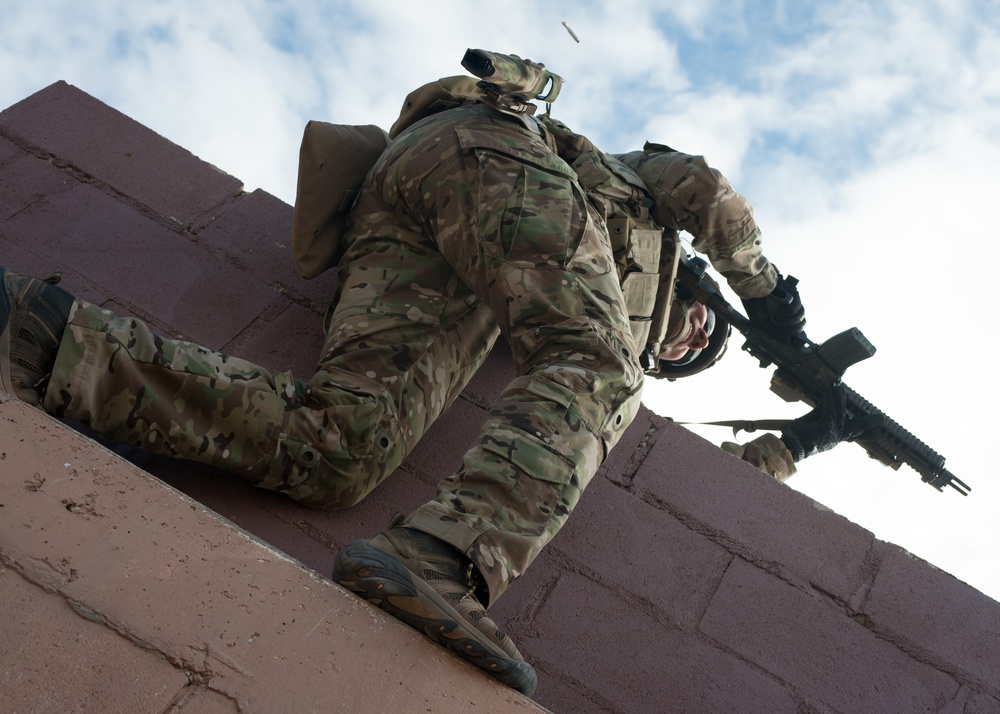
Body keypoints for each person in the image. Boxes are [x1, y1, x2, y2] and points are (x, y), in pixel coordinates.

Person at [0, 51, 860, 696]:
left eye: (687, 357)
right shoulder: (643, 202)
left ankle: (50, 338)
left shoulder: (585, 309)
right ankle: (446, 557)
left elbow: (676, 461)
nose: (684, 338)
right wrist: (770, 291)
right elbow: (705, 187)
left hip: (421, 224)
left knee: (342, 446)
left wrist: (794, 448)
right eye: (698, 321)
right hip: (488, 151)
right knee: (600, 364)